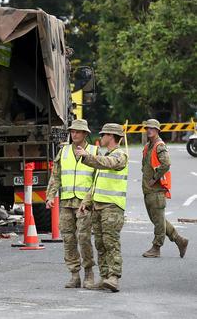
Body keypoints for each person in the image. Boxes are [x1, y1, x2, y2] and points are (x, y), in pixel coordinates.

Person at [45, 119, 97, 288]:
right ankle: (74, 274)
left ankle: (89, 273)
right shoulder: (64, 151)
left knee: (83, 238)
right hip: (67, 202)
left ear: (85, 134)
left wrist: (89, 199)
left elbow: (98, 180)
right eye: (72, 131)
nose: (74, 134)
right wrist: (50, 196)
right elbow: (56, 175)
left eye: (78, 132)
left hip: (84, 203)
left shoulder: (94, 151)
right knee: (68, 239)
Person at [77, 123, 128, 292]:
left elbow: (108, 163)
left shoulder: (120, 155)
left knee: (110, 242)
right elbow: (97, 184)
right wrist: (87, 201)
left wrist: (87, 156)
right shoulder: (107, 154)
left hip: (112, 208)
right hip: (98, 207)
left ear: (111, 136)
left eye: (103, 134)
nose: (101, 137)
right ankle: (105, 277)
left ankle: (114, 277)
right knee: (100, 243)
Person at [140, 119, 188, 258]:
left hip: (156, 190)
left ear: (157, 131)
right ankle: (180, 240)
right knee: (158, 219)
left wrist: (154, 178)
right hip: (149, 190)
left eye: (152, 128)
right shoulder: (148, 145)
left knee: (158, 221)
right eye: (148, 128)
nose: (149, 130)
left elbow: (166, 163)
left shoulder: (159, 145)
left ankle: (156, 247)